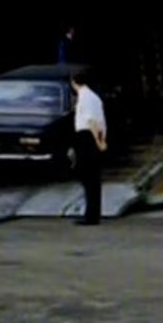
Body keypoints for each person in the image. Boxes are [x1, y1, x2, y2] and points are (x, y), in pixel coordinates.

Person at [70, 69, 107, 225]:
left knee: (88, 176)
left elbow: (91, 121)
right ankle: (93, 212)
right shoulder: (94, 97)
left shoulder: (85, 97)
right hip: (93, 135)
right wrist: (102, 138)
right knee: (92, 177)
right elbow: (101, 121)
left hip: (86, 137)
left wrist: (98, 141)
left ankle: (91, 215)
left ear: (73, 82)